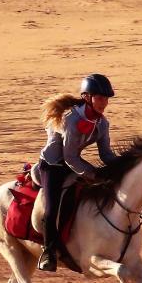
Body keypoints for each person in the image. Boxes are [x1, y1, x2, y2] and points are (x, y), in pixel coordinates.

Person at [35, 74, 117, 271]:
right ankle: (48, 252)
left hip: (72, 164)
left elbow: (106, 154)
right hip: (53, 165)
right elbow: (70, 157)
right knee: (52, 208)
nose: (104, 103)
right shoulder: (71, 119)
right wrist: (94, 174)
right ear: (87, 97)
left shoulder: (102, 123)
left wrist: (122, 166)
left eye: (106, 99)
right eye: (100, 98)